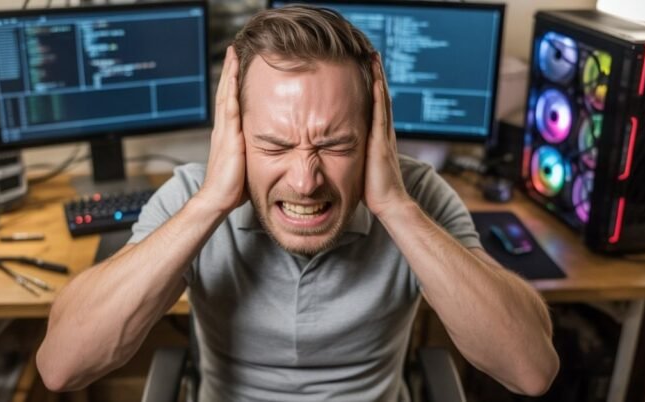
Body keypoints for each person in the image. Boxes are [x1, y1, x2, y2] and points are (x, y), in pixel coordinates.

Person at [37, 5, 559, 401]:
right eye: (275, 145)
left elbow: (531, 370)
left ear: (376, 137)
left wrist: (397, 209)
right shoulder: (191, 196)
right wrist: (209, 205)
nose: (306, 181)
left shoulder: (415, 196)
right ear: (235, 138)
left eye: (335, 145)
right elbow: (61, 365)